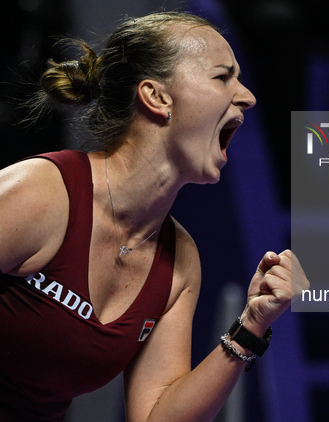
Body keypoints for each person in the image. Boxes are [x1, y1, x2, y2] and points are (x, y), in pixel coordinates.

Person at [0, 11, 309, 422]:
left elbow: (155, 417)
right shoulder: (40, 193)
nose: (248, 96)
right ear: (156, 97)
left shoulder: (180, 262)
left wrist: (251, 326)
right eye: (222, 77)